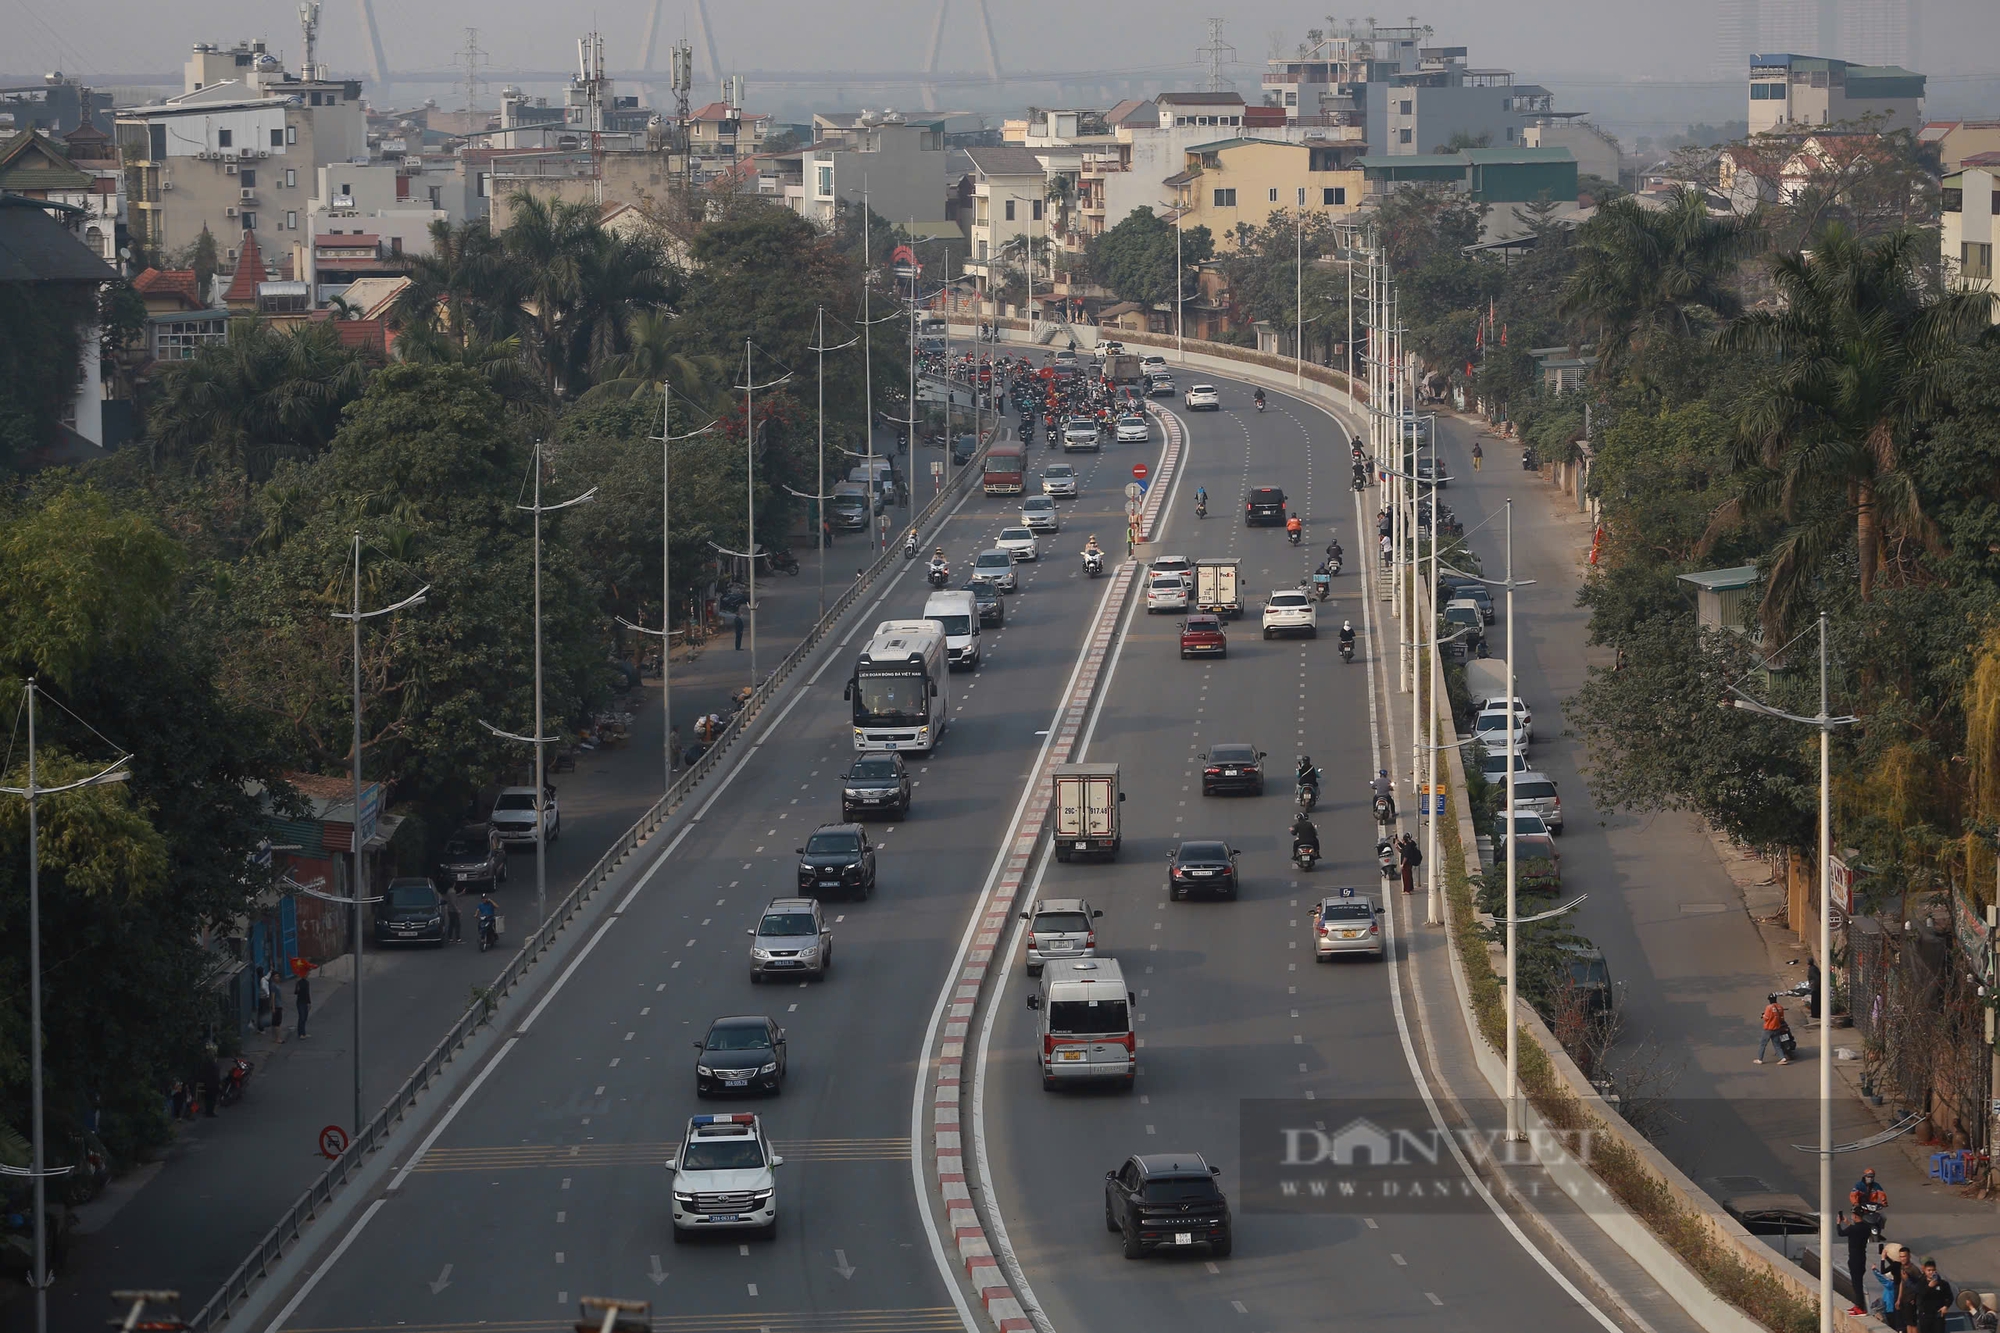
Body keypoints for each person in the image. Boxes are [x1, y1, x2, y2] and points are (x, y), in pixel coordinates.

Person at [1917, 1259, 1953, 1333]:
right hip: (1925, 1315)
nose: (1931, 1272)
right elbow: (1920, 1296)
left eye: (1933, 1270)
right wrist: (1929, 1287)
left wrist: (1946, 1306)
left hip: (1938, 1315)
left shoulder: (1943, 1283)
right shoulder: (1920, 1283)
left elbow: (1950, 1297)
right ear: (1925, 1271)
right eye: (1929, 1270)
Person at [1757, 994, 1791, 1064]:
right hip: (1777, 1028)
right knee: (1777, 1045)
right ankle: (1783, 1058)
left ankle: (1760, 1059)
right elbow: (1782, 1018)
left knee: (1763, 1044)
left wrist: (1763, 1016)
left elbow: (1766, 1018)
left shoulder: (1769, 1007)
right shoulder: (1780, 1007)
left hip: (1768, 1029)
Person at [294, 968, 312, 1040]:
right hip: (300, 1002)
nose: (307, 975)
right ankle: (300, 1033)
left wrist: (309, 1003)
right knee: (301, 1017)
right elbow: (296, 992)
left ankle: (304, 1032)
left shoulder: (307, 982)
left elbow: (307, 993)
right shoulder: (298, 982)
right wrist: (297, 988)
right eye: (306, 973)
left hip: (305, 1002)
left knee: (305, 1018)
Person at [269, 966, 285, 1043]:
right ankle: (278, 1038)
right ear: (272, 977)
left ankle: (275, 1038)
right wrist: (273, 1007)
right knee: (277, 1023)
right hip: (276, 1006)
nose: (277, 977)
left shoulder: (276, 984)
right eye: (275, 976)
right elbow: (272, 996)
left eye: (278, 976)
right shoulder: (273, 985)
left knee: (276, 1022)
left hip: (279, 1005)